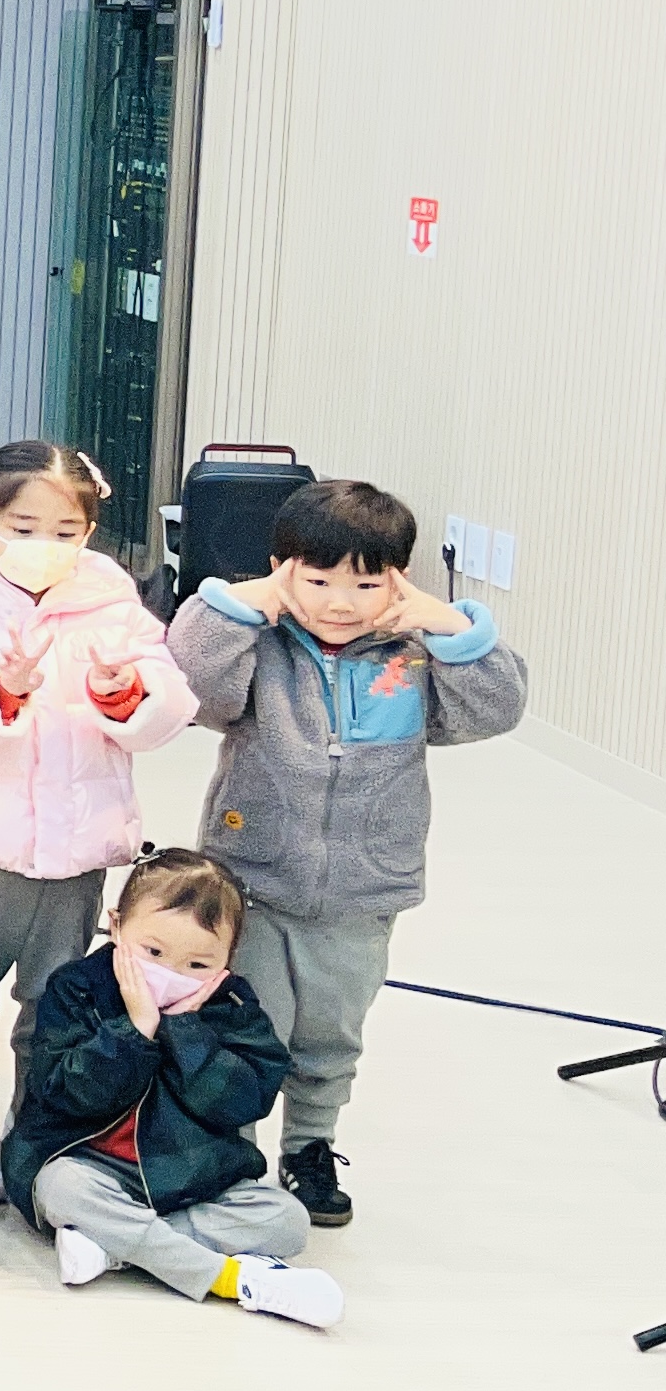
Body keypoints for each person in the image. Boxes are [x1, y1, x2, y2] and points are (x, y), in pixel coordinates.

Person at [166, 478, 527, 1228]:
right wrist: (239, 603)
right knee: (244, 1025)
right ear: (281, 570)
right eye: (318, 580)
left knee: (331, 1033)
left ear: (399, 581)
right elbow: (191, 684)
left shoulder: (414, 654)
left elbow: (496, 708)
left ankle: (310, 1145)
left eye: (365, 584)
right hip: (254, 881)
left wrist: (449, 624)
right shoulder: (261, 645)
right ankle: (231, 1146)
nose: (340, 603)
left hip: (365, 889)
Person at [0, 441, 198, 1192]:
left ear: (89, 531)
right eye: (25, 527)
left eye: (65, 531)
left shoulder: (116, 608)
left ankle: (38, 1117)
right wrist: (0, 693)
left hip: (78, 850)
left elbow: (171, 702)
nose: (45, 544)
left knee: (59, 995)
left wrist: (123, 692)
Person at [4, 850, 339, 1328]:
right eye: (154, 953)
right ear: (116, 927)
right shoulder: (76, 987)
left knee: (287, 1220)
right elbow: (64, 1091)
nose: (172, 973)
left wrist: (185, 1030)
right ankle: (228, 1278)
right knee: (61, 1188)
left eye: (198, 963)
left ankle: (113, 1247)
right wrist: (136, 1030)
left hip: (191, 1180)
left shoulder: (234, 1006)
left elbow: (244, 1102)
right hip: (85, 1161)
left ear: (228, 959)